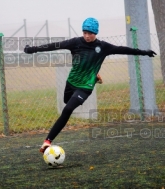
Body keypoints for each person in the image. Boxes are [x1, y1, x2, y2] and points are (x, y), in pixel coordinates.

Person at [24, 17, 157, 153]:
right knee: (66, 101)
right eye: (85, 33)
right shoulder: (75, 42)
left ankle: (47, 141)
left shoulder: (103, 47)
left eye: (90, 33)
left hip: (85, 86)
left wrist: (144, 52)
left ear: (96, 33)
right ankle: (95, 76)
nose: (87, 36)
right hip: (71, 82)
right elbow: (55, 45)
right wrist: (32, 49)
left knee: (68, 109)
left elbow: (122, 49)